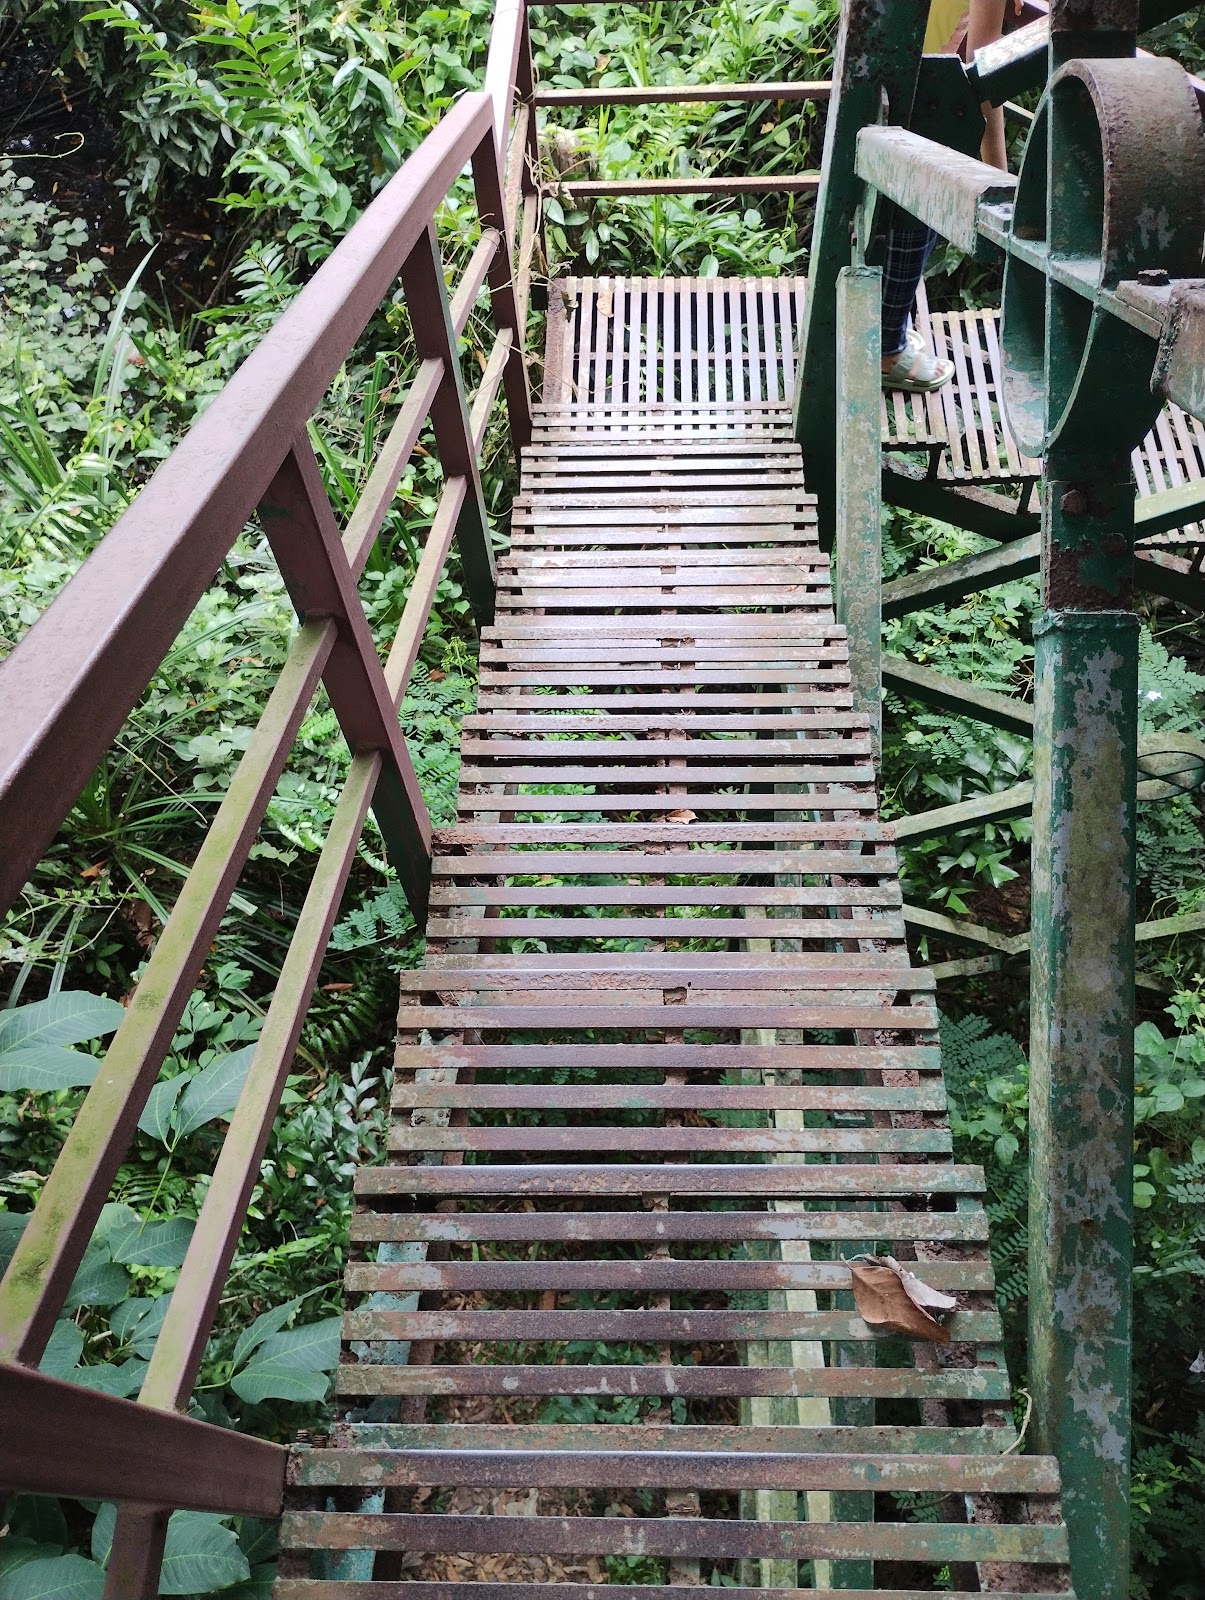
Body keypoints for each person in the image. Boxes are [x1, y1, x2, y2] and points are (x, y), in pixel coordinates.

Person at [880, 1, 1019, 392]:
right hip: (921, 98)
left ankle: (885, 328)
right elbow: (986, 76)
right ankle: (886, 349)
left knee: (885, 216)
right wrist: (998, 173)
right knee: (915, 217)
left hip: (880, 79)